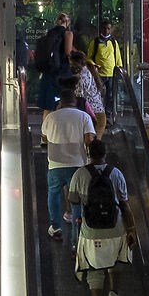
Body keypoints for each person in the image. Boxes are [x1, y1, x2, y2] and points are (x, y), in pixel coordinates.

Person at [63, 135, 136, 296]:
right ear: (105, 154)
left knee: (94, 269)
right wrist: (131, 230)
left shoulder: (80, 174)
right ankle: (114, 295)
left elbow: (73, 200)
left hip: (92, 230)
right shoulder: (116, 173)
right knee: (116, 261)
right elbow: (125, 204)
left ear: (88, 154)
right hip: (117, 227)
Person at [39, 80, 94, 244]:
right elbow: (89, 138)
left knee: (54, 194)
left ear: (60, 102)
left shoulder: (51, 117)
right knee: (76, 197)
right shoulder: (84, 116)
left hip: (55, 164)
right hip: (78, 164)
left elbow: (44, 137)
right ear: (75, 101)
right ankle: (77, 230)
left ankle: (55, 227)